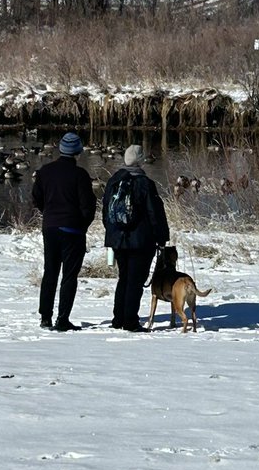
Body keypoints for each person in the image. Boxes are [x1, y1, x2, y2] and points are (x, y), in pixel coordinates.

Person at [32, 131, 97, 331]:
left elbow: (37, 198)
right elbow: (88, 206)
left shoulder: (45, 171)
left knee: (50, 272)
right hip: (73, 230)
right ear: (77, 152)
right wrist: (82, 224)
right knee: (69, 275)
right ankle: (63, 319)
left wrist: (49, 214)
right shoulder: (80, 175)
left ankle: (45, 317)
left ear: (60, 150)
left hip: (50, 228)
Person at [103, 143, 170, 332]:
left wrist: (112, 234)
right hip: (141, 241)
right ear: (140, 161)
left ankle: (118, 319)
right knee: (136, 281)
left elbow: (106, 211)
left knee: (123, 278)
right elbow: (154, 213)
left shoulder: (113, 181)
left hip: (118, 240)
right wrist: (162, 238)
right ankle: (130, 321)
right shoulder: (145, 184)